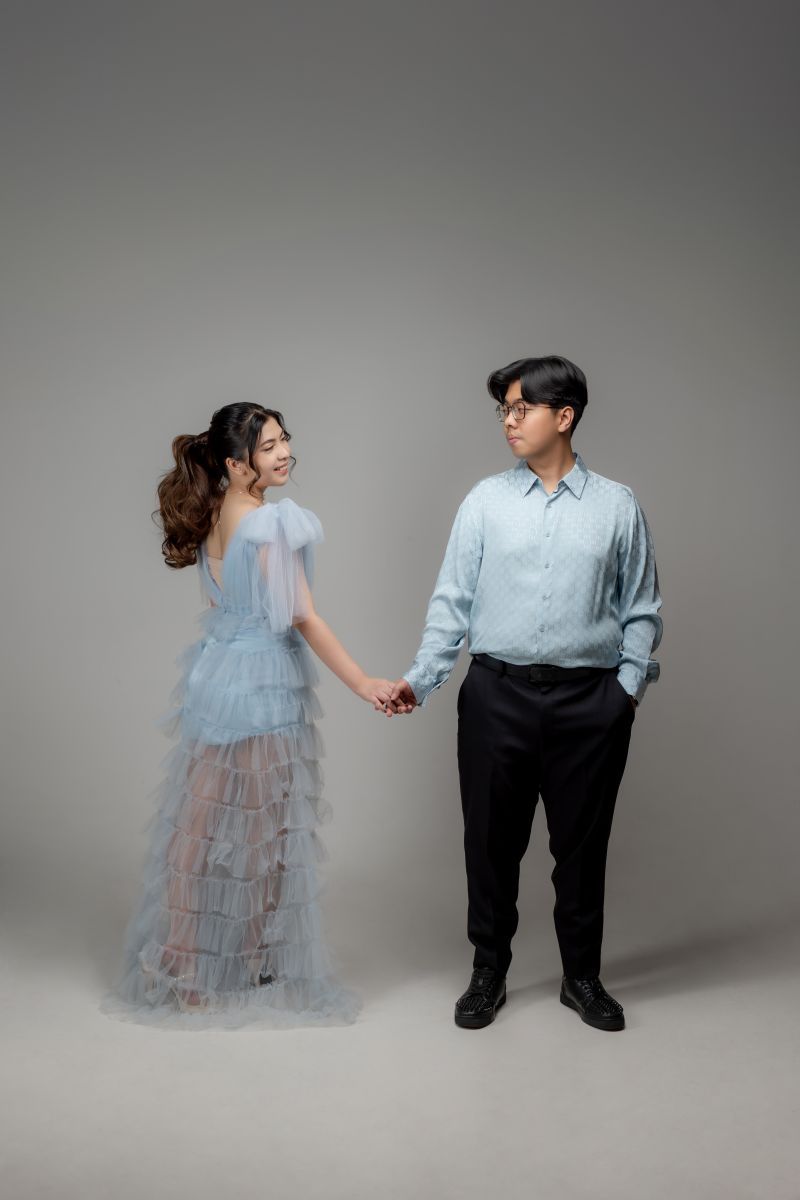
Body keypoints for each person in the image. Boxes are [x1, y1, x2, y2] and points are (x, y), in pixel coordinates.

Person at [102, 402, 401, 1028]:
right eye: (268, 447)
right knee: (264, 830)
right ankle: (243, 959)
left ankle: (180, 961)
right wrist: (363, 683)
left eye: (284, 439)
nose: (284, 452)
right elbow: (303, 615)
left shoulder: (214, 511)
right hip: (262, 682)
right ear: (237, 464)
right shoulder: (269, 522)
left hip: (215, 674)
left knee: (195, 829)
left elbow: (232, 602)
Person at [388, 356, 663, 1032]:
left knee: (583, 850)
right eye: (503, 410)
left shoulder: (617, 505)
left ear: (564, 416)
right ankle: (488, 973)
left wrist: (625, 692)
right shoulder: (484, 501)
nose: (508, 421)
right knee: (489, 845)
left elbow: (641, 608)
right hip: (496, 696)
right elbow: (451, 602)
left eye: (521, 408)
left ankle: (582, 978)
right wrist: (421, 679)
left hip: (589, 703)